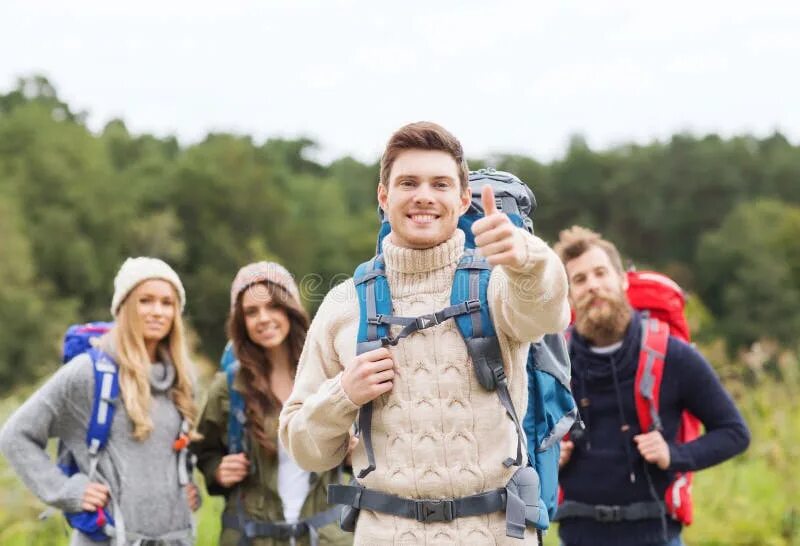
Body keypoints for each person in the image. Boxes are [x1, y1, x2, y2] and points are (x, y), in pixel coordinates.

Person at [279, 121, 570, 545]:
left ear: (463, 197)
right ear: (384, 196)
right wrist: (344, 393)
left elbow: (548, 312)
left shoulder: (498, 284)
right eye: (408, 182)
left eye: (440, 184)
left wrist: (527, 258)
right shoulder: (344, 303)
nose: (424, 196)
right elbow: (305, 449)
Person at [553, 226, 751, 546]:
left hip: (655, 535)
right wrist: (544, 454)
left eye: (600, 273)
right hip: (577, 534)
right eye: (579, 279)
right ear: (569, 296)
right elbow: (517, 437)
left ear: (621, 281)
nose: (592, 286)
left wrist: (673, 455)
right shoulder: (554, 363)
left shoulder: (672, 354)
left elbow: (734, 432)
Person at [0, 257, 199, 545]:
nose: (158, 312)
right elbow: (15, 436)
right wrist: (67, 490)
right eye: (146, 301)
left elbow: (167, 454)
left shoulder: (182, 378)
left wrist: (185, 486)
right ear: (124, 307)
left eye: (167, 303)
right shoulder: (89, 373)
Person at [192, 261, 352, 546]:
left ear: (290, 309)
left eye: (273, 306)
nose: (263, 318)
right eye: (251, 312)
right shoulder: (228, 387)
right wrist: (217, 469)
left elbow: (368, 449)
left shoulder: (329, 375)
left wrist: (353, 452)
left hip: (325, 537)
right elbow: (203, 451)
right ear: (241, 322)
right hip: (251, 536)